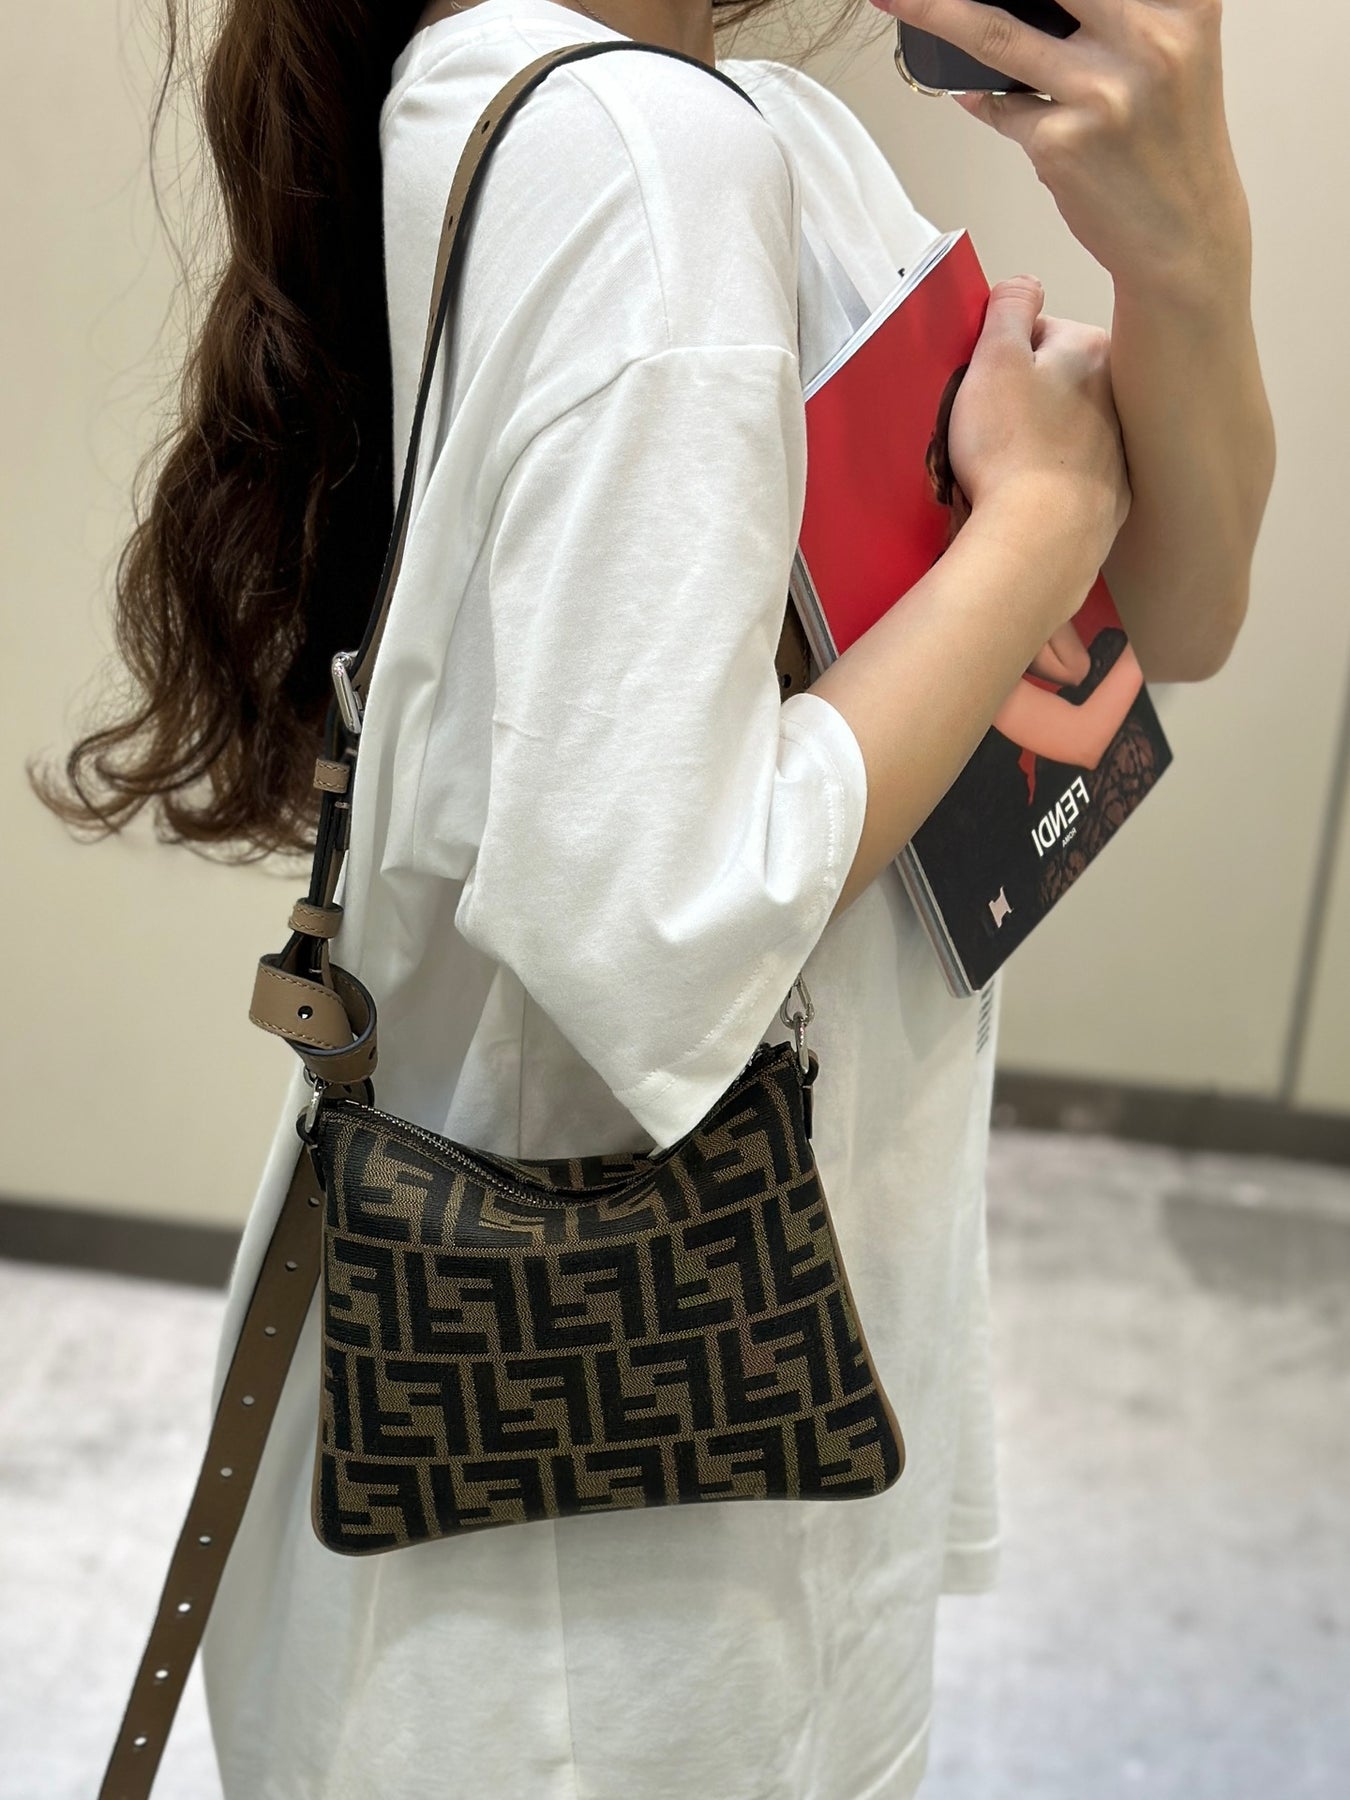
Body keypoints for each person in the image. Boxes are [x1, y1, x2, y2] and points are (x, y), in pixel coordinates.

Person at [30, 0, 1273, 1794]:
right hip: (597, 1597)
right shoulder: (644, 160)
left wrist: (1184, 236)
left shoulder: (743, 136)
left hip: (758, 1412)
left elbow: (1170, 618)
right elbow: (657, 932)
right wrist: (1033, 524)